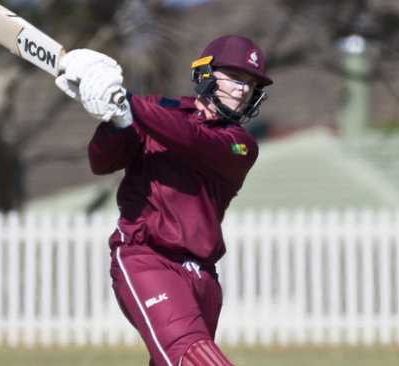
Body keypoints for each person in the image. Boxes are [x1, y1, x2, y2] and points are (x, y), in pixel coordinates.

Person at [55, 35, 273, 366]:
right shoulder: (158, 110)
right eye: (237, 78)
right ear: (207, 74)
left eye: (251, 84)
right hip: (147, 258)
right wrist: (116, 120)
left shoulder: (241, 144)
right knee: (189, 353)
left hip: (203, 278)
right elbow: (101, 162)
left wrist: (127, 102)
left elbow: (192, 139)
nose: (244, 90)